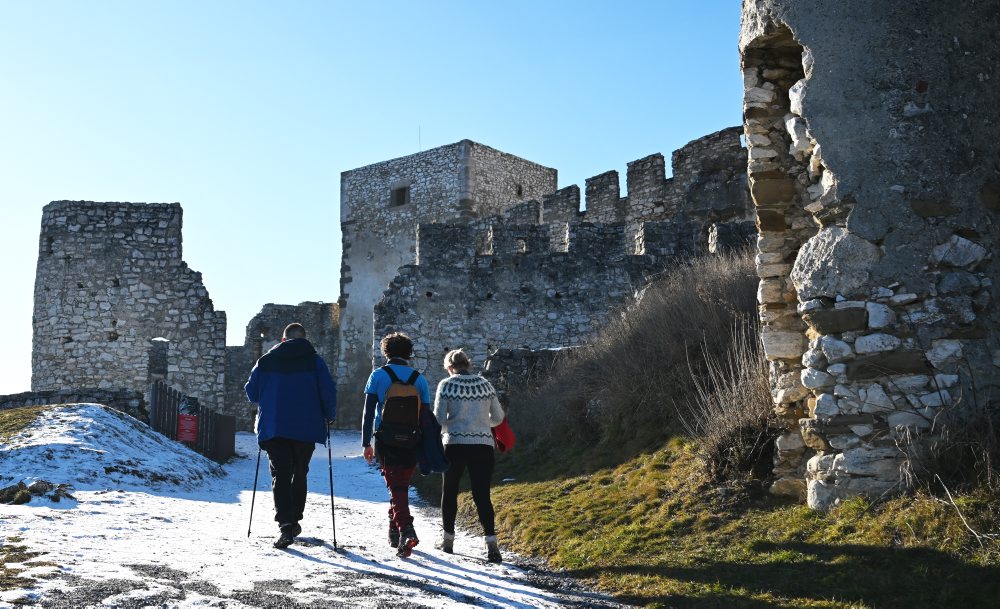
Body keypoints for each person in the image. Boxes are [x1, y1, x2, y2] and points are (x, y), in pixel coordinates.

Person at [245, 323, 337, 549]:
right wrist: (329, 415)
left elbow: (252, 393)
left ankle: (285, 525)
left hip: (274, 426)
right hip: (306, 427)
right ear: (305, 339)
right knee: (300, 471)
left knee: (281, 473)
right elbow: (328, 391)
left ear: (283, 340)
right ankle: (295, 519)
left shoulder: (266, 361)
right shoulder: (315, 362)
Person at [362, 332, 433, 558]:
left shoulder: (378, 375)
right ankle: (394, 531)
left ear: (386, 352)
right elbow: (427, 415)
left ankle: (406, 529)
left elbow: (367, 412)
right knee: (399, 483)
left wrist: (366, 442)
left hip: (386, 437)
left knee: (396, 485)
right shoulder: (419, 379)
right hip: (413, 438)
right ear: (409, 353)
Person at [432, 349, 505, 563]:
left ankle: (448, 541)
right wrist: (481, 425)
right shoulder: (484, 384)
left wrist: (451, 427)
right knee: (482, 495)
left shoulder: (446, 385)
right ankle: (491, 544)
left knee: (450, 492)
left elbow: (438, 419)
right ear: (469, 364)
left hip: (454, 444)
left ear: (449, 368)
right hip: (483, 446)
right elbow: (499, 417)